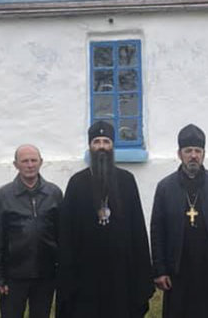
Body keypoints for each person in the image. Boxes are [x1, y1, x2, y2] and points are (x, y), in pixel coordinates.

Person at [57, 121, 153, 318]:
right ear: (90, 146)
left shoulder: (126, 181)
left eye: (106, 141)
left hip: (121, 275)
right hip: (85, 275)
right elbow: (66, 234)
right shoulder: (77, 183)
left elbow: (137, 230)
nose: (101, 146)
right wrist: (67, 278)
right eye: (96, 142)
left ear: (113, 146)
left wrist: (142, 276)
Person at [150, 124, 208, 318]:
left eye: (197, 151)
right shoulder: (165, 187)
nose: (193, 155)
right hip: (179, 271)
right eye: (188, 151)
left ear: (204, 154)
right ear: (179, 153)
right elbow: (157, 232)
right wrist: (160, 270)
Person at [0, 144, 63, 318]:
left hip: (45, 275)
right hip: (13, 277)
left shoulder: (54, 194)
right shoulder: (2, 196)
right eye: (25, 161)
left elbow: (61, 235)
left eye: (33, 160)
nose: (30, 165)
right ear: (16, 165)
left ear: (41, 162)